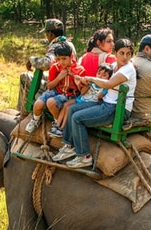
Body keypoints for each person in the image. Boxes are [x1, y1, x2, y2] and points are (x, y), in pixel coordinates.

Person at [52, 38, 137, 168]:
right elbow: (104, 83)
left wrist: (90, 78)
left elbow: (109, 84)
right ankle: (69, 146)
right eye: (122, 53)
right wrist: (84, 81)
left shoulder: (128, 69)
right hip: (106, 102)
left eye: (128, 54)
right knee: (73, 109)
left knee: (77, 118)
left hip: (116, 108)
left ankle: (84, 156)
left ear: (132, 55)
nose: (125, 57)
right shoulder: (114, 66)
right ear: (115, 53)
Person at [16, 19, 77, 113]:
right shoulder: (70, 44)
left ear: (50, 34)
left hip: (60, 83)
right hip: (70, 80)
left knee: (24, 76)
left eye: (46, 34)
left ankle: (24, 112)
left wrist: (32, 60)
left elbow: (47, 63)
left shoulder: (56, 46)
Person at [25, 42, 85, 133]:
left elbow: (82, 91)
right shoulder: (55, 67)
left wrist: (77, 83)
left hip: (69, 95)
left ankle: (58, 122)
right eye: (58, 59)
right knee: (38, 104)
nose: (61, 62)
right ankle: (35, 120)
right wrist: (59, 77)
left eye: (64, 59)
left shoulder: (79, 70)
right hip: (56, 91)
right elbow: (49, 86)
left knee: (51, 102)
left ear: (71, 56)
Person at [51, 63, 113, 138]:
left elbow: (101, 98)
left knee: (69, 108)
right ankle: (57, 125)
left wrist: (101, 95)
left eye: (104, 75)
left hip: (90, 103)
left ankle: (62, 128)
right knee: (65, 105)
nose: (100, 76)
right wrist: (80, 84)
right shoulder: (91, 82)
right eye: (99, 73)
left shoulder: (106, 88)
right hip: (81, 99)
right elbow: (82, 92)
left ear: (109, 78)